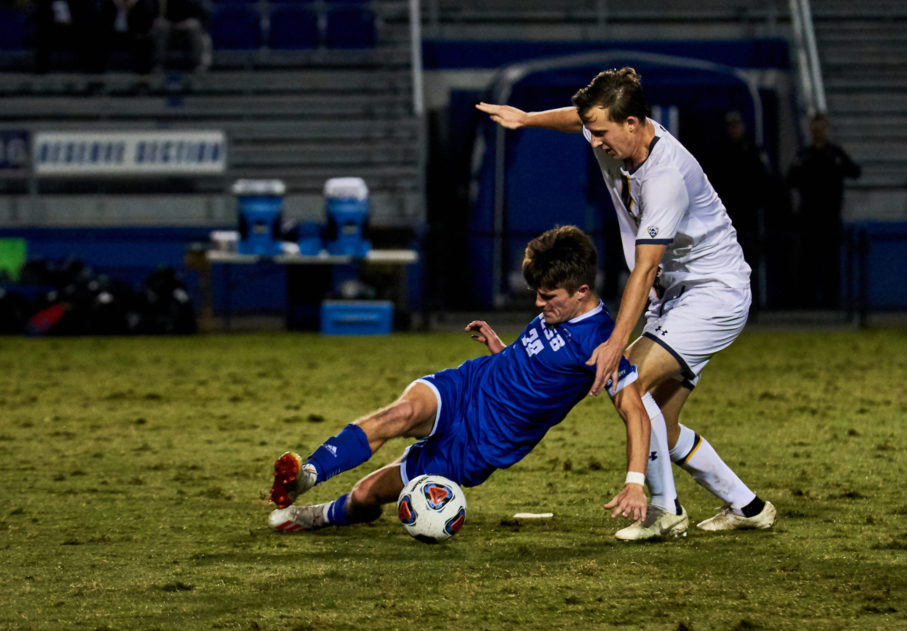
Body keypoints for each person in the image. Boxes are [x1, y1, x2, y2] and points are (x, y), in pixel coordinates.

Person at [476, 67, 776, 541]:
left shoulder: (665, 178)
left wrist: (617, 343)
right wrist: (527, 119)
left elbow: (645, 270)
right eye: (590, 131)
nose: (593, 141)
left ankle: (663, 509)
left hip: (712, 294)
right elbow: (577, 118)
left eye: (600, 132)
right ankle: (749, 506)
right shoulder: (612, 131)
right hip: (676, 296)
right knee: (662, 423)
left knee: (626, 378)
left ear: (633, 123)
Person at [268, 225, 653, 534]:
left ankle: (320, 515)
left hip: (480, 444)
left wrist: (635, 481)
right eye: (536, 293)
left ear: (582, 291)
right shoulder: (558, 310)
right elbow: (538, 370)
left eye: (547, 295)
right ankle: (310, 473)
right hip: (469, 386)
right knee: (398, 415)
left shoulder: (603, 342)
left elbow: (636, 412)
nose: (538, 303)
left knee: (370, 493)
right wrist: (502, 350)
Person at [785, 113, 861, 309]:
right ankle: (806, 302)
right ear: (811, 129)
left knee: (831, 262)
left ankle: (832, 302)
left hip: (830, 217)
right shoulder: (804, 154)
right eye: (814, 127)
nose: (817, 130)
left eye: (820, 126)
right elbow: (790, 179)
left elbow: (855, 172)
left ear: (825, 128)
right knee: (807, 262)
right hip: (808, 217)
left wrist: (843, 161)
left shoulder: (835, 153)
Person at [706, 110, 774, 317]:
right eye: (731, 126)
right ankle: (729, 308)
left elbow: (763, 181)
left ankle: (752, 306)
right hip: (727, 216)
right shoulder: (720, 152)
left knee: (749, 261)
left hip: (748, 215)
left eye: (737, 125)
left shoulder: (752, 150)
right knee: (725, 263)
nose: (734, 129)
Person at [151, 0, 211, 73]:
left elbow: (198, 14)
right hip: (169, 23)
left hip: (187, 23)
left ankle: (198, 64)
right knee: (160, 26)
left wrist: (184, 23)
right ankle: (159, 64)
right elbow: (160, 14)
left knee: (195, 26)